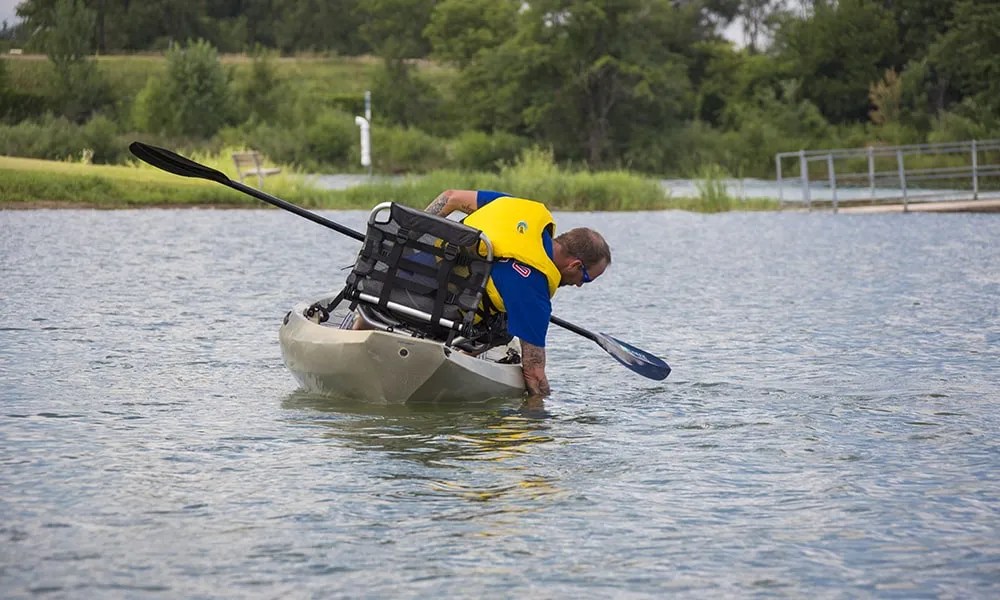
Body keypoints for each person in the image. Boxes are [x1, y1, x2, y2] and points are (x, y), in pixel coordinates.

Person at [424, 189, 611, 398]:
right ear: (575, 265)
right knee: (501, 330)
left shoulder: (521, 210)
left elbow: (451, 197)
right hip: (436, 309)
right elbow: (534, 374)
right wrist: (546, 407)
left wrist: (408, 233)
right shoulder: (535, 291)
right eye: (585, 279)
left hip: (394, 276)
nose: (579, 285)